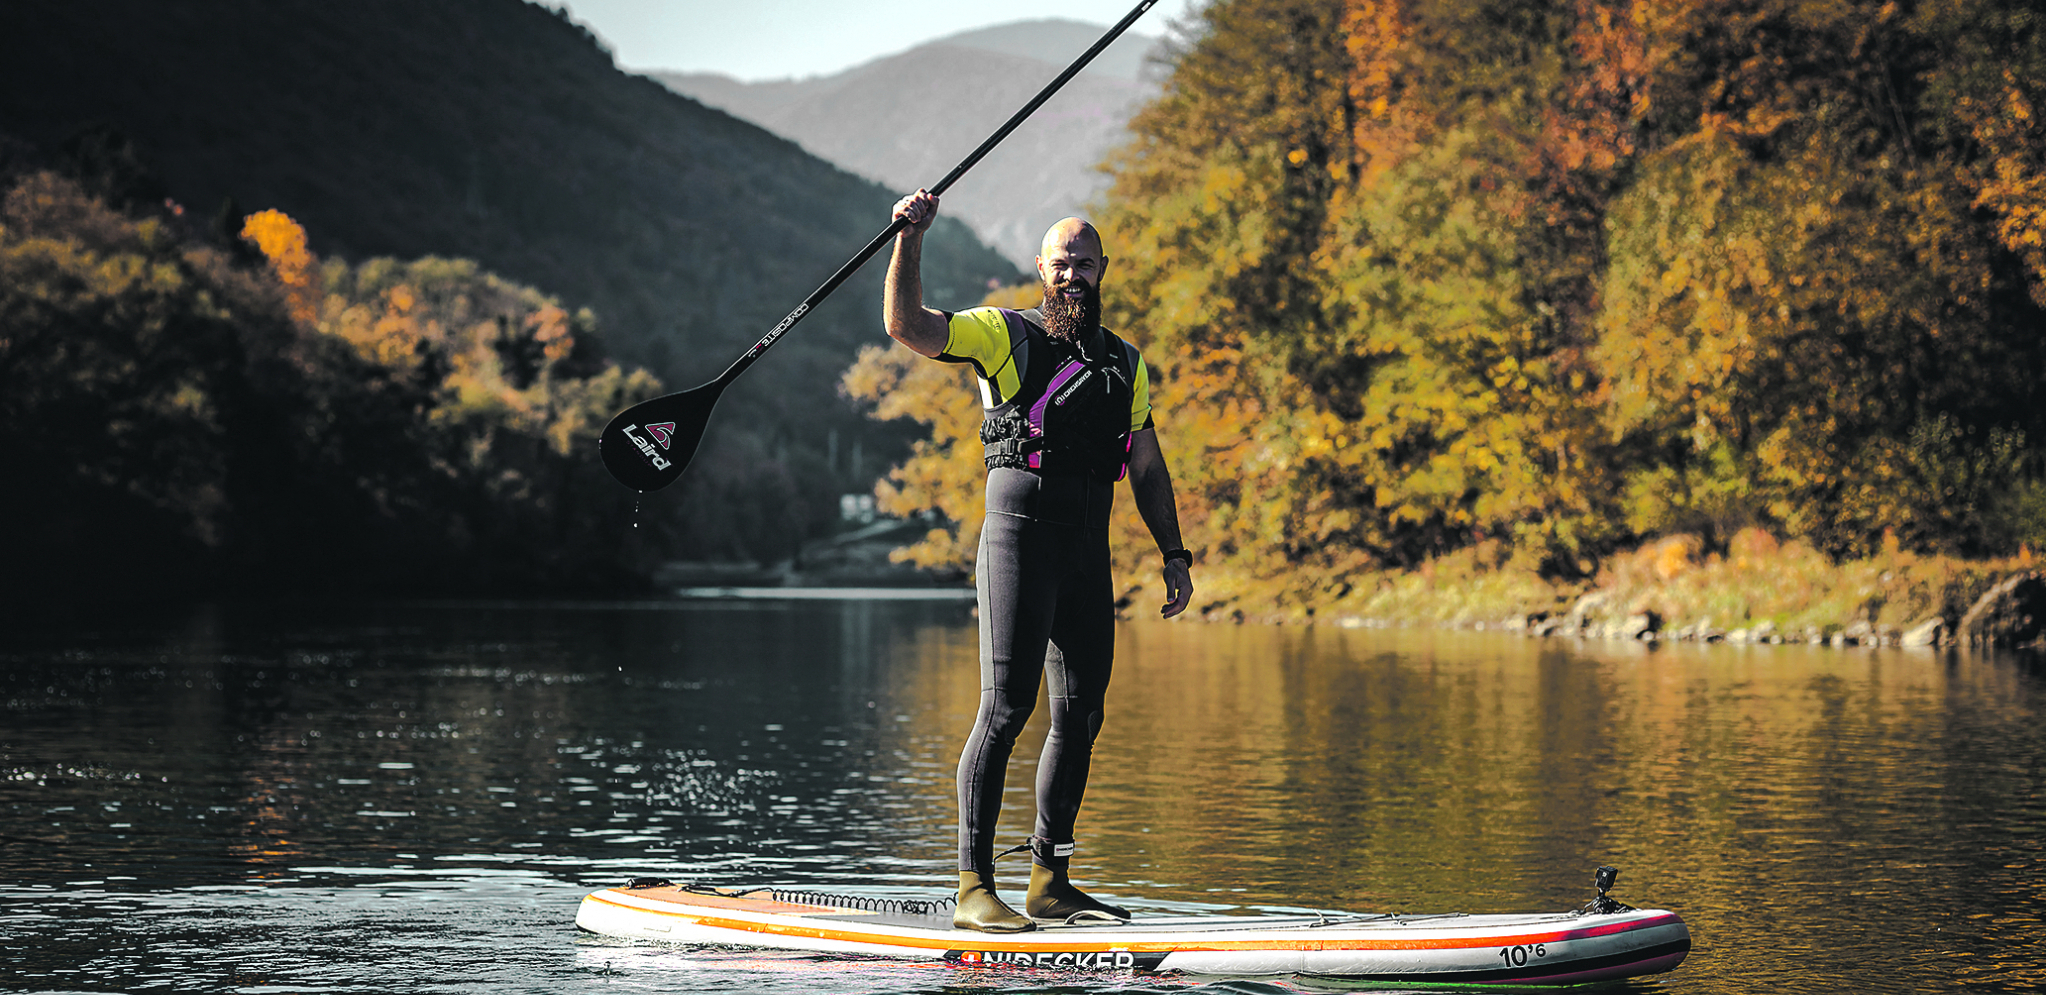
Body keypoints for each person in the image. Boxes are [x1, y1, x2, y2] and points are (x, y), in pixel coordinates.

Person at [884, 188, 1194, 933]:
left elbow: (1148, 469)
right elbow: (906, 325)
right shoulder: (1006, 334)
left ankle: (1049, 880)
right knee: (1006, 707)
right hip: (1017, 538)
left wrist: (1174, 553)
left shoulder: (1127, 364)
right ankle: (972, 887)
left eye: (1085, 264)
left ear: (1102, 270)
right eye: (1062, 263)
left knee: (1081, 710)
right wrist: (909, 240)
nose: (1073, 275)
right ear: (1041, 268)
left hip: (1089, 551)